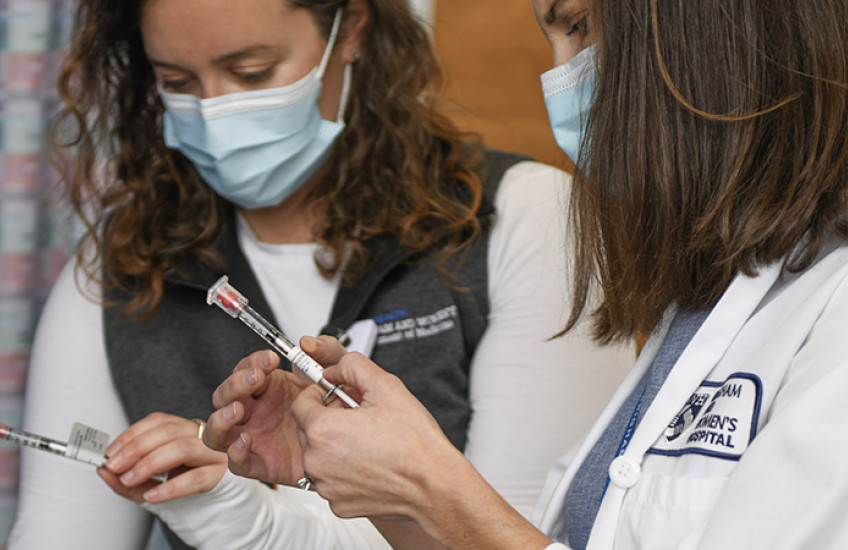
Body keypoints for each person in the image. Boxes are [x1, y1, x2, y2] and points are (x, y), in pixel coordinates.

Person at [204, 0, 848, 548]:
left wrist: (431, 483)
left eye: (580, 25)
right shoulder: (716, 303)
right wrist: (395, 492)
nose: (559, 77)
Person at [8, 0, 633, 548]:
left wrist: (252, 520)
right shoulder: (122, 273)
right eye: (177, 81)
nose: (215, 113)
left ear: (351, 27)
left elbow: (511, 538)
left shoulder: (525, 218)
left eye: (252, 73)